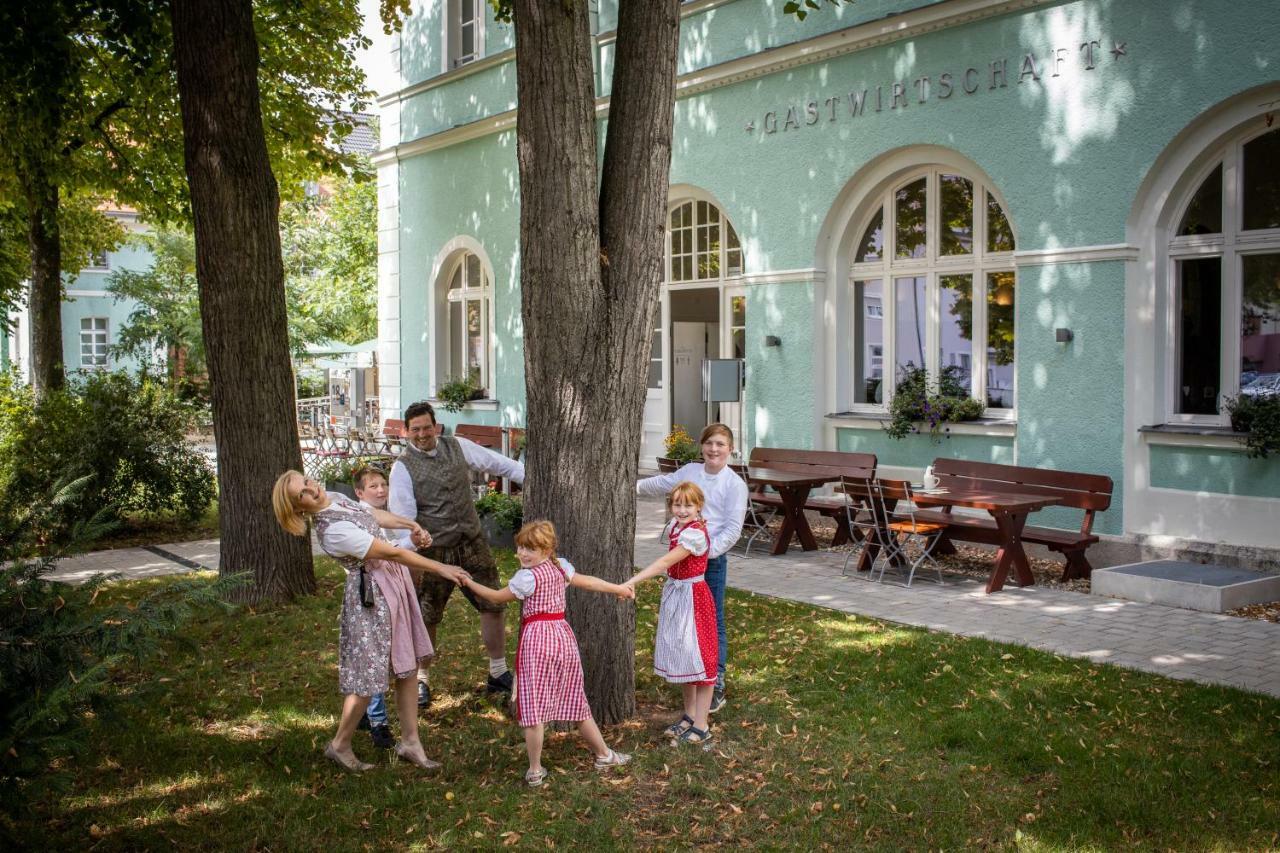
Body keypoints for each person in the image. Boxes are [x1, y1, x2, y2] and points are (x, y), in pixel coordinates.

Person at [272, 470, 469, 772]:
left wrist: (410, 524)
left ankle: (411, 742)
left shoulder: (335, 500)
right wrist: (441, 567)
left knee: (407, 664)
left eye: (308, 482)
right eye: (303, 494)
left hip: (394, 584)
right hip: (373, 598)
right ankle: (340, 744)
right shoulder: (332, 531)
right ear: (299, 508)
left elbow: (371, 515)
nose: (313, 489)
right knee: (368, 677)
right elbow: (390, 552)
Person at [462, 520, 634, 787]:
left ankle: (534, 769)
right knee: (575, 697)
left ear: (548, 549)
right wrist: (617, 588)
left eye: (530, 549)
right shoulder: (560, 567)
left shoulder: (527, 577)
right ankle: (603, 754)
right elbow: (587, 582)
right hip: (562, 637)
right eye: (520, 547)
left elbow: (496, 597)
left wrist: (468, 582)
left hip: (538, 642)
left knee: (533, 706)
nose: (522, 554)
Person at [388, 401, 525, 708]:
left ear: (436, 426)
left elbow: (496, 463)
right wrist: (411, 555)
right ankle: (422, 678)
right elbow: (403, 520)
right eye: (416, 429)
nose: (422, 434)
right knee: (428, 615)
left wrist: (527, 475)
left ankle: (498, 671)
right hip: (433, 550)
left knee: (493, 602)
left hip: (472, 541)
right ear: (406, 431)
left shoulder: (457, 446)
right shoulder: (402, 468)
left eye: (427, 427)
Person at [635, 423, 747, 713]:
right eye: (710, 443)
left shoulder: (734, 484)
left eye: (721, 444)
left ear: (730, 449)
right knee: (687, 620)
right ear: (702, 446)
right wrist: (630, 486)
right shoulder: (690, 472)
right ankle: (688, 670)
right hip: (682, 560)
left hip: (709, 560)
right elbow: (662, 483)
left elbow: (733, 530)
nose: (714, 449)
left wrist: (705, 552)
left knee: (713, 620)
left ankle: (715, 679)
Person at [624, 482, 717, 746]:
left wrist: (633, 580)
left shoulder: (695, 534)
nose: (682, 509)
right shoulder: (678, 527)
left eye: (688, 505)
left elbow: (666, 562)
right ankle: (689, 715)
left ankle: (702, 725)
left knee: (700, 656)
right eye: (677, 504)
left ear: (698, 506)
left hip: (693, 597)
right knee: (682, 656)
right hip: (678, 594)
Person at [351, 465, 395, 750]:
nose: (380, 490)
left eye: (383, 485)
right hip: (368, 594)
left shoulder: (388, 517)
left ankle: (364, 714)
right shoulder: (360, 516)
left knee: (375, 654)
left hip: (388, 590)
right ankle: (378, 722)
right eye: (373, 487)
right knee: (374, 655)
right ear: (359, 493)